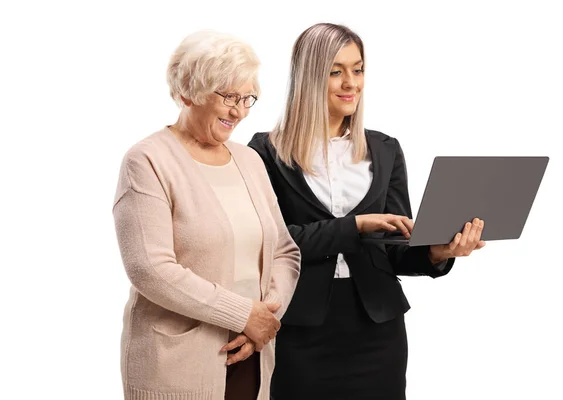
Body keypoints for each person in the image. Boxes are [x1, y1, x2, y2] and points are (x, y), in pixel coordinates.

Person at [248, 23, 485, 400]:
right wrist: (354, 226)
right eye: (336, 71)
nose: (351, 83)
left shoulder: (385, 148)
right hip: (301, 328)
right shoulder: (265, 152)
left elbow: (393, 247)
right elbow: (271, 241)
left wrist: (439, 253)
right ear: (310, 76)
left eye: (358, 70)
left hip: (378, 330)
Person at [112, 30, 301, 400]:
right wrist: (242, 314)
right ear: (188, 92)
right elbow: (149, 268)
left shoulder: (249, 160)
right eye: (229, 96)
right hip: (177, 361)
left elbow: (284, 250)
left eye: (248, 97)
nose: (240, 111)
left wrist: (264, 318)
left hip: (251, 350)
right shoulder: (147, 160)